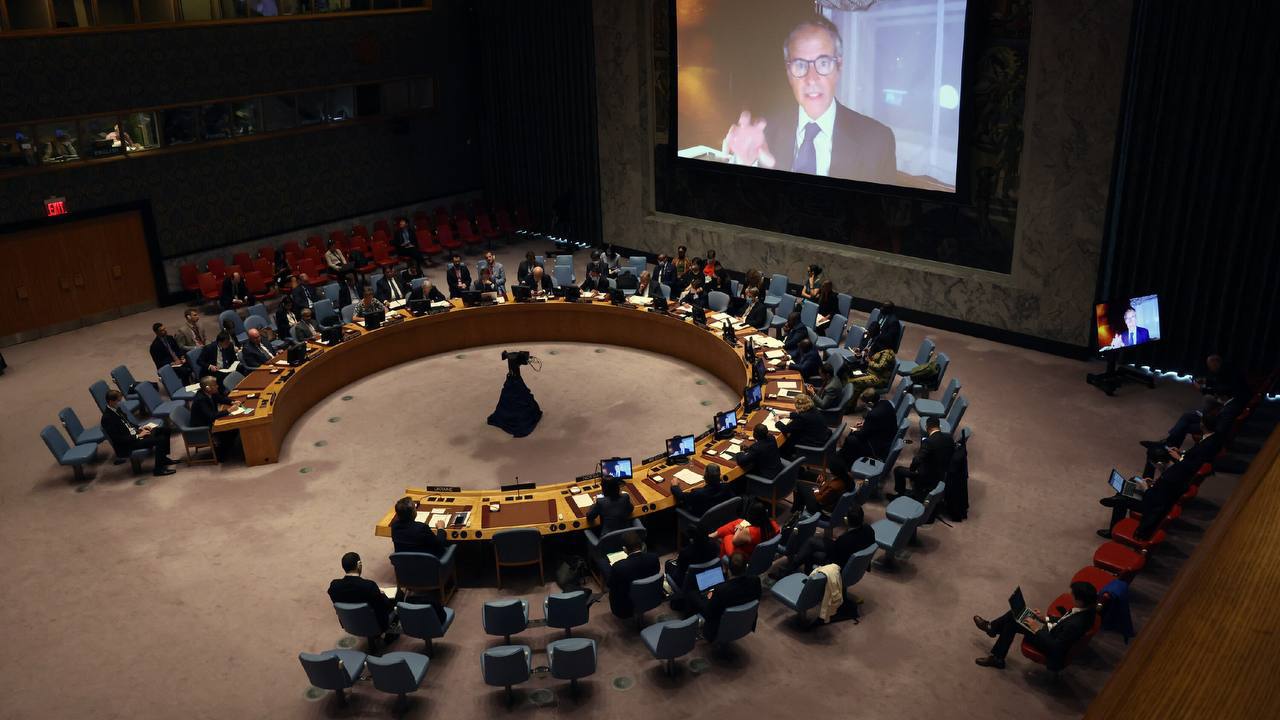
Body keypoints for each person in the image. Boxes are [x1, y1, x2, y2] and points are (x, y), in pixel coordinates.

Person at [721, 15, 897, 185]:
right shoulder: (766, 133)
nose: (811, 79)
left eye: (823, 63)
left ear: (839, 67)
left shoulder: (877, 141)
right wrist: (745, 165)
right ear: (789, 74)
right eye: (800, 65)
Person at [973, 582, 1098, 670]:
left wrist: (1036, 628)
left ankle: (992, 632)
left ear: (1080, 600)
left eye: (1072, 595)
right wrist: (1044, 619)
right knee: (1015, 616)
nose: (1070, 596)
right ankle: (995, 646)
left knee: (1013, 618)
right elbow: (1063, 621)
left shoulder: (1076, 624)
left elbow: (1055, 647)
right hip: (1051, 633)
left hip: (1048, 645)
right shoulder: (1086, 610)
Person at [778, 505, 874, 577]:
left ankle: (793, 570)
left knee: (810, 549)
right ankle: (795, 568)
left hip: (839, 564)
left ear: (846, 520)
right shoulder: (869, 529)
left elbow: (833, 556)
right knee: (812, 542)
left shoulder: (845, 540)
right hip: (855, 563)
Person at [101, 389, 177, 476]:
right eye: (118, 401)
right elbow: (118, 439)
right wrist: (138, 436)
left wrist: (141, 428)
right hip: (128, 444)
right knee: (160, 439)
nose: (120, 402)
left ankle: (164, 459)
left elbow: (128, 423)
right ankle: (158, 470)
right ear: (111, 401)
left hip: (135, 435)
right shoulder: (107, 418)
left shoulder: (116, 409)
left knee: (164, 430)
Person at [693, 552, 761, 641]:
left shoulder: (721, 590)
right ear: (746, 567)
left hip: (717, 629)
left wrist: (704, 598)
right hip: (745, 623)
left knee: (693, 595)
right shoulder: (755, 581)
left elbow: (708, 613)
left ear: (728, 569)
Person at [327, 552, 397, 637]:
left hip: (349, 623)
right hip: (375, 624)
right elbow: (383, 607)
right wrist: (382, 595)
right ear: (359, 564)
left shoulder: (334, 586)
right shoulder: (369, 586)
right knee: (397, 597)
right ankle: (390, 635)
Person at [890, 417, 954, 502]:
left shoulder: (928, 442)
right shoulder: (949, 438)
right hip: (942, 474)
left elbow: (917, 459)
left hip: (926, 475)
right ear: (939, 426)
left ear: (927, 427)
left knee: (898, 470)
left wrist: (912, 469)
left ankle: (900, 494)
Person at [606, 532, 660, 619]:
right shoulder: (654, 558)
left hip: (625, 607)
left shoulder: (618, 567)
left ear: (624, 549)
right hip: (650, 597)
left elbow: (609, 585)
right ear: (642, 545)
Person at [665, 520, 720, 591]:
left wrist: (679, 559)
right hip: (709, 578)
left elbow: (680, 572)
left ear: (692, 538)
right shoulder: (715, 546)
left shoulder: (685, 553)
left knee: (668, 563)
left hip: (690, 585)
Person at [711, 502, 778, 558]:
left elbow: (734, 541)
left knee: (728, 537)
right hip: (759, 549)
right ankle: (714, 535)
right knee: (739, 521)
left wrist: (739, 529)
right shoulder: (774, 524)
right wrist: (741, 525)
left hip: (744, 555)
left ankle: (724, 562)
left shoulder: (748, 532)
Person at [779, 393, 828, 460]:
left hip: (813, 443)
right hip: (820, 437)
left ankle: (788, 458)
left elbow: (785, 429)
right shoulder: (813, 409)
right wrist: (788, 415)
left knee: (787, 441)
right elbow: (803, 415)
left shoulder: (802, 418)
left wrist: (777, 422)